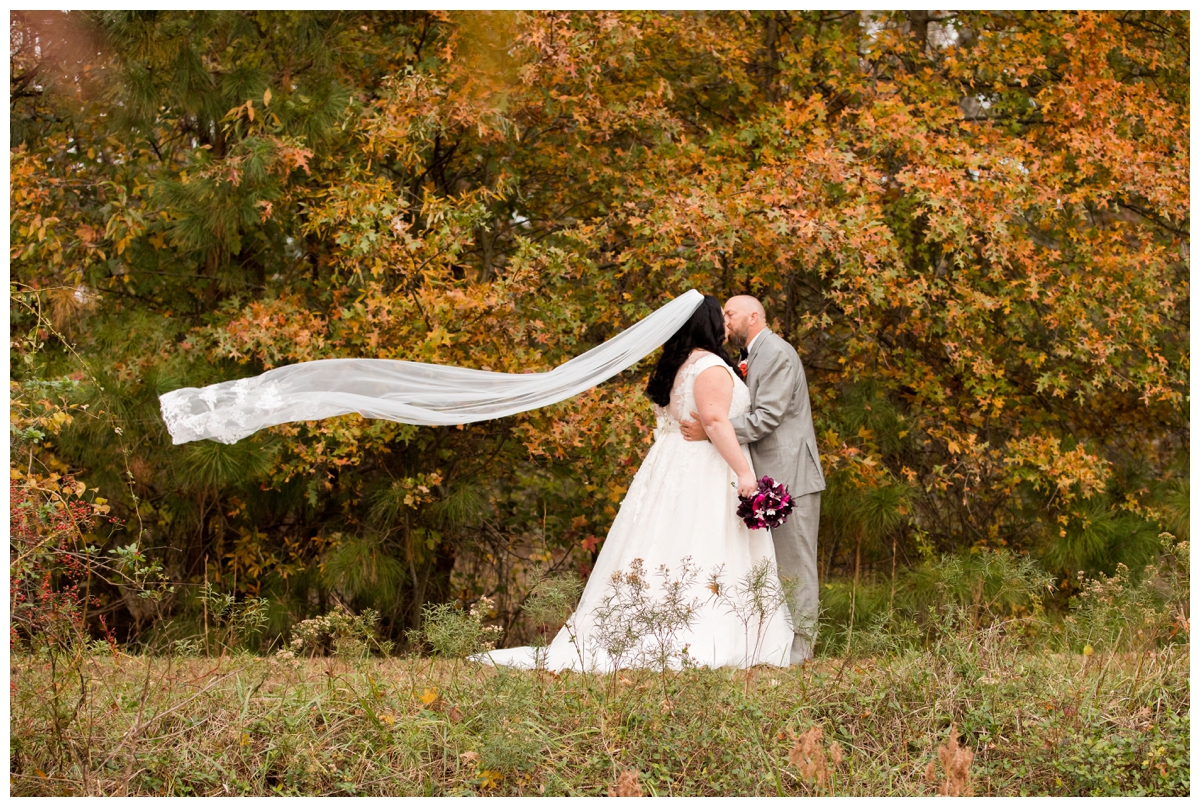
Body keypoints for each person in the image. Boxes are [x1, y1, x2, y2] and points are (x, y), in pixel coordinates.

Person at [475, 295, 794, 672]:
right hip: (703, 468)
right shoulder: (708, 366)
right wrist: (744, 473)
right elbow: (714, 422)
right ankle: (700, 635)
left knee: (667, 544)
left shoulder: (676, 366)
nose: (726, 324)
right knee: (701, 543)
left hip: (670, 465)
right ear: (705, 323)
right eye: (720, 317)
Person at [680, 295, 825, 664]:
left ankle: (802, 651)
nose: (725, 321)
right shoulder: (750, 355)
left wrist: (712, 431)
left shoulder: (775, 352)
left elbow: (766, 418)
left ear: (754, 315)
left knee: (796, 562)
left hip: (791, 474)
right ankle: (772, 645)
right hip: (769, 472)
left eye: (730, 314)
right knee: (770, 564)